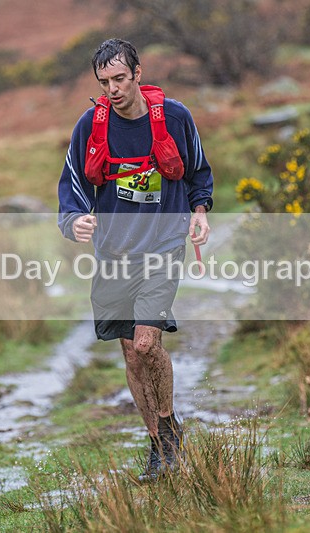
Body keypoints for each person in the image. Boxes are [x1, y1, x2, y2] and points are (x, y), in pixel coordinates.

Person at [57, 38, 213, 481]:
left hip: (162, 246)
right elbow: (71, 186)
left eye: (120, 78)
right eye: (104, 82)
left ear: (138, 73)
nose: (113, 89)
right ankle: (157, 442)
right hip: (113, 253)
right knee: (130, 354)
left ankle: (168, 430)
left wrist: (200, 211)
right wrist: (74, 222)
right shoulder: (91, 125)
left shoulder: (175, 117)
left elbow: (199, 171)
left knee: (147, 343)